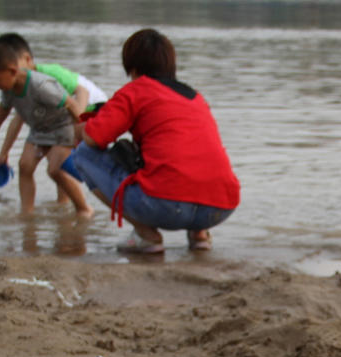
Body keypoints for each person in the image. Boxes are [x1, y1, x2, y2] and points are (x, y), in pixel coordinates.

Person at [72, 28, 239, 253]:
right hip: (220, 207)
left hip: (166, 206)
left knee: (82, 155)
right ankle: (200, 235)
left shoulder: (136, 91)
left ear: (132, 67)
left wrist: (81, 128)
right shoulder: (196, 97)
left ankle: (146, 234)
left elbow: (93, 139)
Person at [0, 38, 93, 217]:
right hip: (38, 130)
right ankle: (27, 212)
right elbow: (4, 108)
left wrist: (85, 136)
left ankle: (84, 208)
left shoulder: (41, 86)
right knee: (25, 165)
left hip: (62, 128)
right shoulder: (8, 88)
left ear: (12, 71)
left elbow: (72, 105)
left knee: (55, 169)